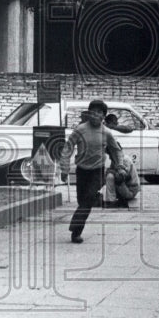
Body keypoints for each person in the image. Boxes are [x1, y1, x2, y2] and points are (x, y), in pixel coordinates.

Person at [61, 99, 123, 243]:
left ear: (103, 116)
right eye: (93, 112)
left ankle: (75, 231)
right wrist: (64, 169)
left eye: (99, 113)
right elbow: (67, 148)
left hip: (97, 171)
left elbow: (116, 151)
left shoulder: (106, 133)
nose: (96, 115)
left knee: (88, 199)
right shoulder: (80, 130)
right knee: (83, 201)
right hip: (82, 171)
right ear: (89, 114)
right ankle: (77, 226)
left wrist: (119, 166)